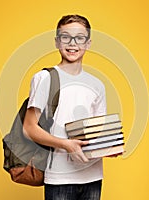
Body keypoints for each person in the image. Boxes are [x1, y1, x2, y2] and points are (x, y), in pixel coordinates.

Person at [23, 14, 106, 200]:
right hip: (60, 177)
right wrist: (66, 145)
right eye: (65, 37)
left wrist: (111, 145)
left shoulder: (97, 85)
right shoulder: (44, 79)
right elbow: (29, 128)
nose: (72, 43)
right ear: (57, 42)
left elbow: (98, 130)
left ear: (88, 43)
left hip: (93, 175)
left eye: (79, 38)